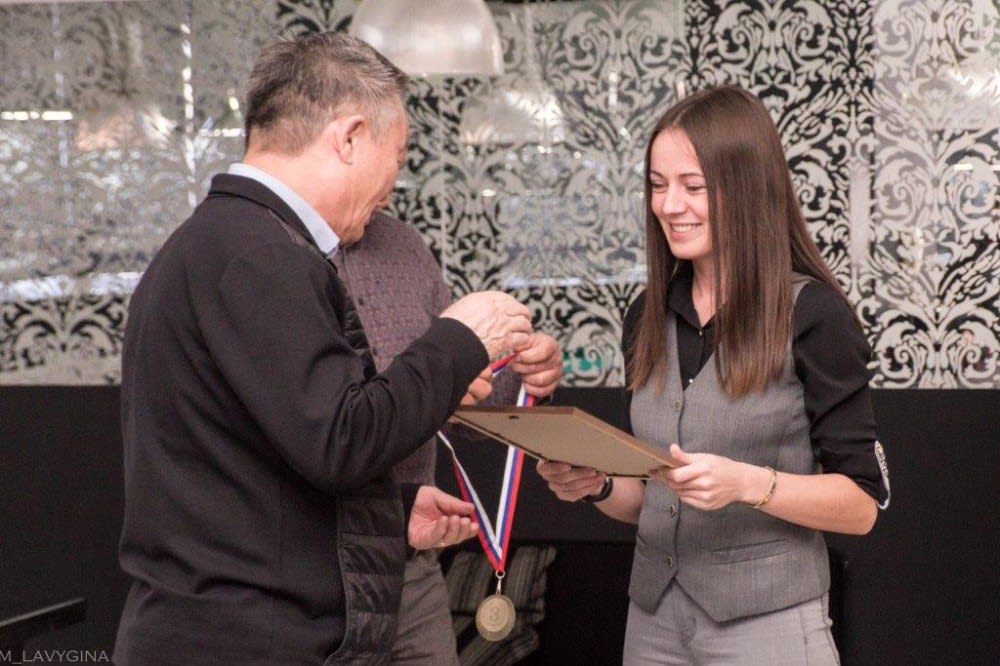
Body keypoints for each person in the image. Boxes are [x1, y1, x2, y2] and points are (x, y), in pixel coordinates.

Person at [114, 32, 539, 666]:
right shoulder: (261, 257)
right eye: (397, 155)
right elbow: (343, 439)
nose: (393, 186)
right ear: (349, 137)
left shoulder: (219, 244)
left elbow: (264, 458)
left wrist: (389, 512)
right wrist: (461, 338)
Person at [536, 85, 891, 665]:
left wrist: (749, 484)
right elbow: (649, 498)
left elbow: (860, 506)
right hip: (652, 625)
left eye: (693, 186)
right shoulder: (645, 316)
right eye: (658, 185)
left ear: (747, 189)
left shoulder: (813, 316)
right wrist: (596, 484)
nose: (669, 205)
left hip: (768, 627)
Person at [333, 210, 563, 664]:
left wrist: (526, 374)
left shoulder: (401, 243)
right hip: (319, 571)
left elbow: (463, 394)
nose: (394, 179)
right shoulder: (275, 248)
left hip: (414, 563)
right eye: (391, 164)